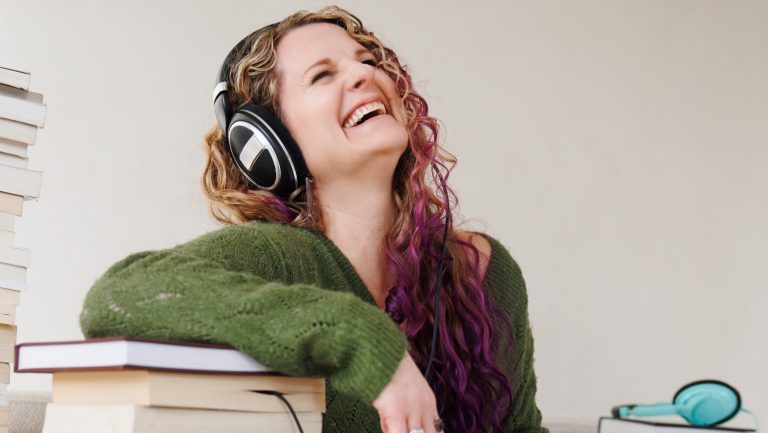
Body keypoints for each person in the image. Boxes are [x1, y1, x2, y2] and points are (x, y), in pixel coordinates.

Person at [80, 5, 548, 433]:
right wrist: (360, 339)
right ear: (270, 144)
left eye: (368, 60)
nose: (364, 75)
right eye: (323, 75)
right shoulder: (278, 259)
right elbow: (117, 297)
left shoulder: (479, 273)